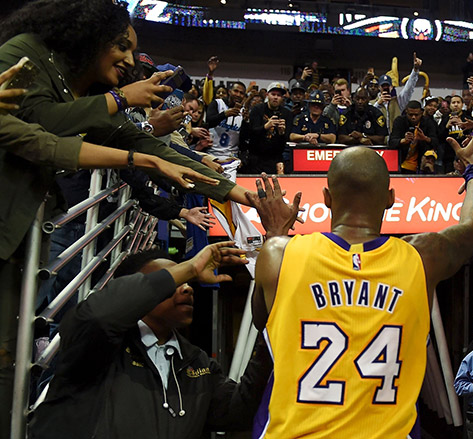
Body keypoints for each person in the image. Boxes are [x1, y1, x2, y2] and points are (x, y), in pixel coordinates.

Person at [246, 116, 473, 438]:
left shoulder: (279, 255)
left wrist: (274, 235)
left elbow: (262, 320)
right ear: (390, 198)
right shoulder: (421, 258)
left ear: (326, 198)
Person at [0, 60, 217, 439]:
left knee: (52, 312)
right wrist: (149, 140)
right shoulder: (100, 103)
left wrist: (163, 155)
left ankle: (37, 376)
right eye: (123, 55)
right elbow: (81, 145)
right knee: (44, 311)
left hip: (75, 224)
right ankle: (32, 382)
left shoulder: (117, 107)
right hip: (66, 219)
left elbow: (131, 152)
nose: (131, 66)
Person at [0, 0, 255, 206]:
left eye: (131, 52)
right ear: (91, 35)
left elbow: (150, 148)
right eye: (121, 47)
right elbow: (38, 123)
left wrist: (245, 196)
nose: (130, 61)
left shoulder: (91, 94)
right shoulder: (26, 51)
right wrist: (121, 98)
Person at [28, 243, 273, 438]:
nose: (187, 287)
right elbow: (99, 315)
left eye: (188, 282)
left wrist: (271, 334)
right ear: (138, 290)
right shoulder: (97, 342)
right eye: (174, 281)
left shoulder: (196, 361)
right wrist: (189, 267)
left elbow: (239, 411)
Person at [244, 81, 292, 174]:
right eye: (273, 94)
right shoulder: (257, 109)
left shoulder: (287, 114)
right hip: (256, 157)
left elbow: (286, 139)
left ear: (282, 98)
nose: (275, 97)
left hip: (275, 158)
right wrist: (266, 126)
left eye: (279, 95)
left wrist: (282, 133)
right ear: (267, 95)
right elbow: (251, 133)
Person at [373, 52, 422, 132]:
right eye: (383, 86)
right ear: (379, 87)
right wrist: (378, 103)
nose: (385, 88)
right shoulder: (373, 103)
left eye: (387, 86)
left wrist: (415, 70)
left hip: (395, 140)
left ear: (391, 87)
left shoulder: (398, 102)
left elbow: (408, 89)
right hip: (379, 141)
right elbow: (369, 114)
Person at [388, 100, 439, 173]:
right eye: (410, 114)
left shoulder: (429, 122)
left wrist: (425, 138)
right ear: (406, 112)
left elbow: (436, 142)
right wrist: (403, 141)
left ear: (421, 113)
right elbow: (391, 142)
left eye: (416, 115)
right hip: (401, 163)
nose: (413, 117)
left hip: (421, 164)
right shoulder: (399, 121)